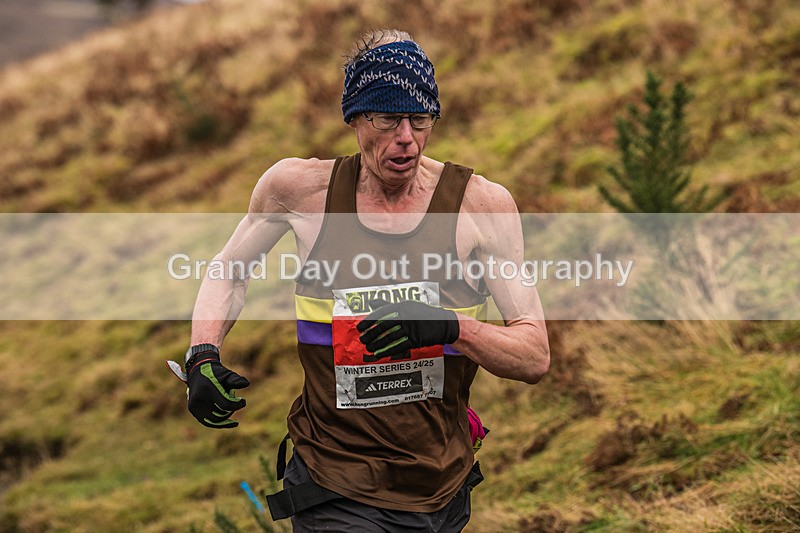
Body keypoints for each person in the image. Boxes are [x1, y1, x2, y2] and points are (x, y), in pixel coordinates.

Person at [178, 29, 550, 532]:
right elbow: (229, 269)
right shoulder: (299, 192)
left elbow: (534, 354)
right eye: (387, 119)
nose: (406, 138)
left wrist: (449, 328)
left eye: (420, 120)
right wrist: (203, 354)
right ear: (355, 119)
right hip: (334, 480)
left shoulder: (480, 206)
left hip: (440, 485)